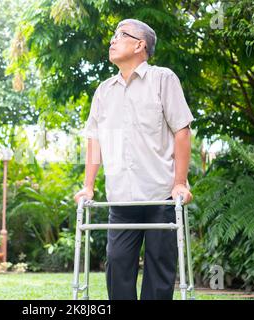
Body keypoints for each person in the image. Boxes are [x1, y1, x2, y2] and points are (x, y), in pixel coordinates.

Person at [74, 19, 194, 300]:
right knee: (116, 265)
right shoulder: (104, 90)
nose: (112, 41)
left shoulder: (163, 79)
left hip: (160, 196)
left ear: (140, 45)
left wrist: (180, 183)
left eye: (120, 36)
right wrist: (88, 186)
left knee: (159, 271)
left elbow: (182, 131)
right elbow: (95, 140)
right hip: (121, 198)